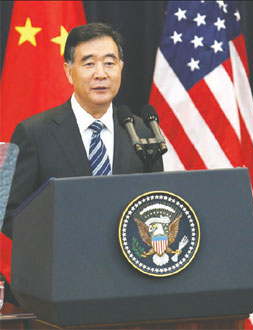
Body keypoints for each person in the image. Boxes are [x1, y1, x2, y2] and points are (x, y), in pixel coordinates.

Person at [2, 23, 163, 302]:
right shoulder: (32, 132)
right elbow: (9, 212)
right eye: (88, 63)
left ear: (121, 68)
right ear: (68, 71)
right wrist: (66, 244)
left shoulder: (143, 132)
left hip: (133, 286)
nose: (101, 74)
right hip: (59, 287)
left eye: (109, 63)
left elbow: (156, 202)